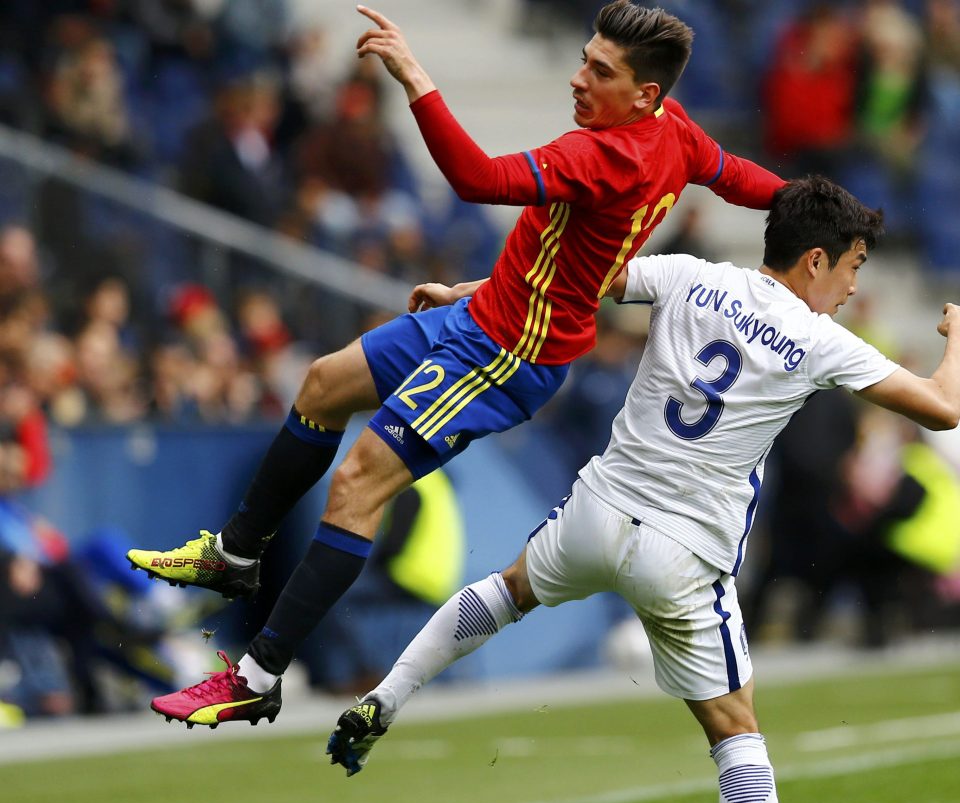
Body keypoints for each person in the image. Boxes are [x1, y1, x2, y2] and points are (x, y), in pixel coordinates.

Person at [325, 176, 960, 803]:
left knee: (509, 589)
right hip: (684, 552)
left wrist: (467, 292)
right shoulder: (820, 340)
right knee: (736, 728)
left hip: (600, 509)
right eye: (853, 265)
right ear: (816, 260)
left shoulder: (689, 273)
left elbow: (560, 285)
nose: (855, 286)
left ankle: (386, 698)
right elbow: (942, 406)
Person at [133, 2, 785, 730]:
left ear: (644, 95)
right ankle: (235, 553)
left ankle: (258, 673)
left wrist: (414, 75)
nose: (577, 79)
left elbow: (476, 178)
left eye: (599, 71)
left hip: (504, 355)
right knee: (323, 383)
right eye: (583, 58)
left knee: (356, 485)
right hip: (485, 312)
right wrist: (811, 205)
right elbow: (734, 178)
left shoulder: (605, 155)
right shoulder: (675, 133)